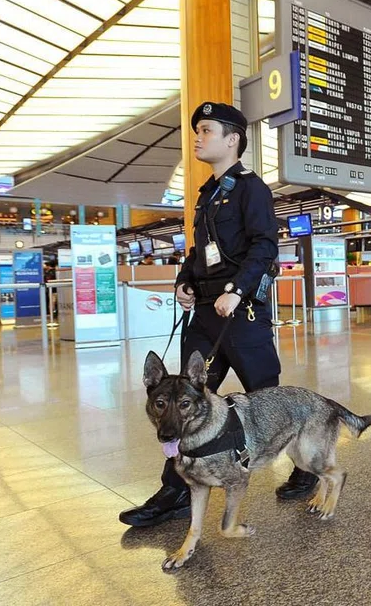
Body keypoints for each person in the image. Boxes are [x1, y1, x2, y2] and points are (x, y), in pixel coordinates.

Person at [119, 101, 305, 528]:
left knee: (266, 395)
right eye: (197, 131)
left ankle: (304, 466)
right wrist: (184, 280)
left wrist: (238, 291)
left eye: (206, 130)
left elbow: (264, 246)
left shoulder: (251, 188)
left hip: (239, 314)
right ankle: (175, 491)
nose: (198, 138)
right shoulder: (208, 194)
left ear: (233, 139)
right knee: (186, 399)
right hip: (204, 313)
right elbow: (199, 253)